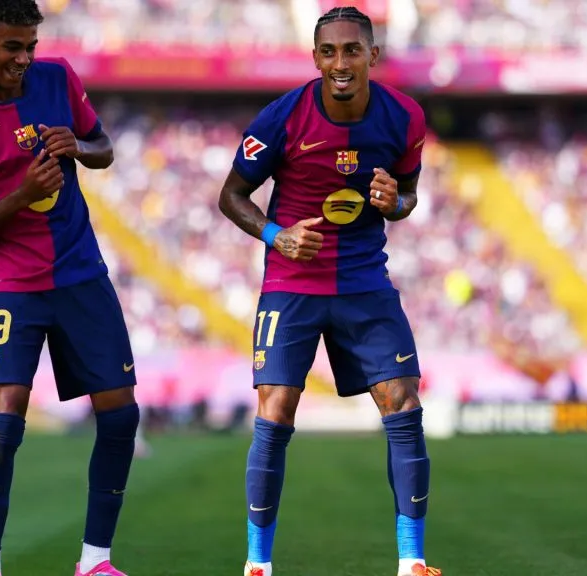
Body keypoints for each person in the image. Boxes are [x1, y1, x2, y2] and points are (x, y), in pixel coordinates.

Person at [217, 7, 440, 576]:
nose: (340, 62)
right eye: (329, 52)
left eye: (351, 50)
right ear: (315, 57)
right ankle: (257, 564)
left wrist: (396, 203)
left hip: (364, 279)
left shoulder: (404, 118)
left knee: (403, 403)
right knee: (276, 409)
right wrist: (276, 235)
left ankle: (411, 561)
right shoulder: (282, 117)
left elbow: (408, 196)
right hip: (292, 282)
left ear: (373, 55)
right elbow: (232, 195)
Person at [0, 2, 139, 575]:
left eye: (30, 47)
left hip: (80, 272)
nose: (23, 58)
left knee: (121, 414)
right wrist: (18, 197)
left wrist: (78, 148)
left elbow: (104, 148)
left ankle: (95, 561)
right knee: (5, 419)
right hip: (13, 284)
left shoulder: (59, 78)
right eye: (11, 46)